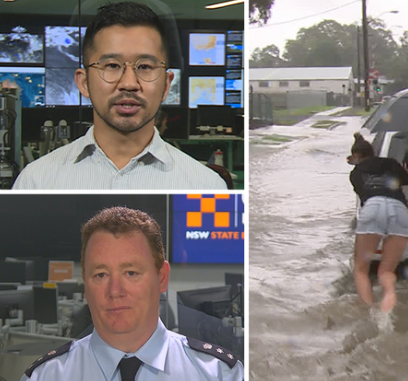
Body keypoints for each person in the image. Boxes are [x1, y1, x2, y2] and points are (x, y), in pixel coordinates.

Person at [12, 2, 226, 190]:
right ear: (84, 83)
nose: (129, 84)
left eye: (145, 66)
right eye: (112, 65)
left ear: (166, 85)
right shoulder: (36, 181)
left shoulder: (206, 186)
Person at [21, 207, 244, 381]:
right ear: (86, 287)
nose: (115, 291)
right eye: (100, 275)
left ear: (162, 278)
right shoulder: (46, 376)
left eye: (131, 273)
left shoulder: (219, 374)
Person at [349, 132, 408, 313]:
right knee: (386, 272)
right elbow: (407, 179)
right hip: (399, 208)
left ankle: (369, 313)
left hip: (373, 206)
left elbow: (363, 196)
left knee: (361, 270)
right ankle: (389, 298)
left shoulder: (356, 172)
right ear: (373, 152)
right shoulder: (391, 163)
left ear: (356, 156)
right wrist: (405, 171)